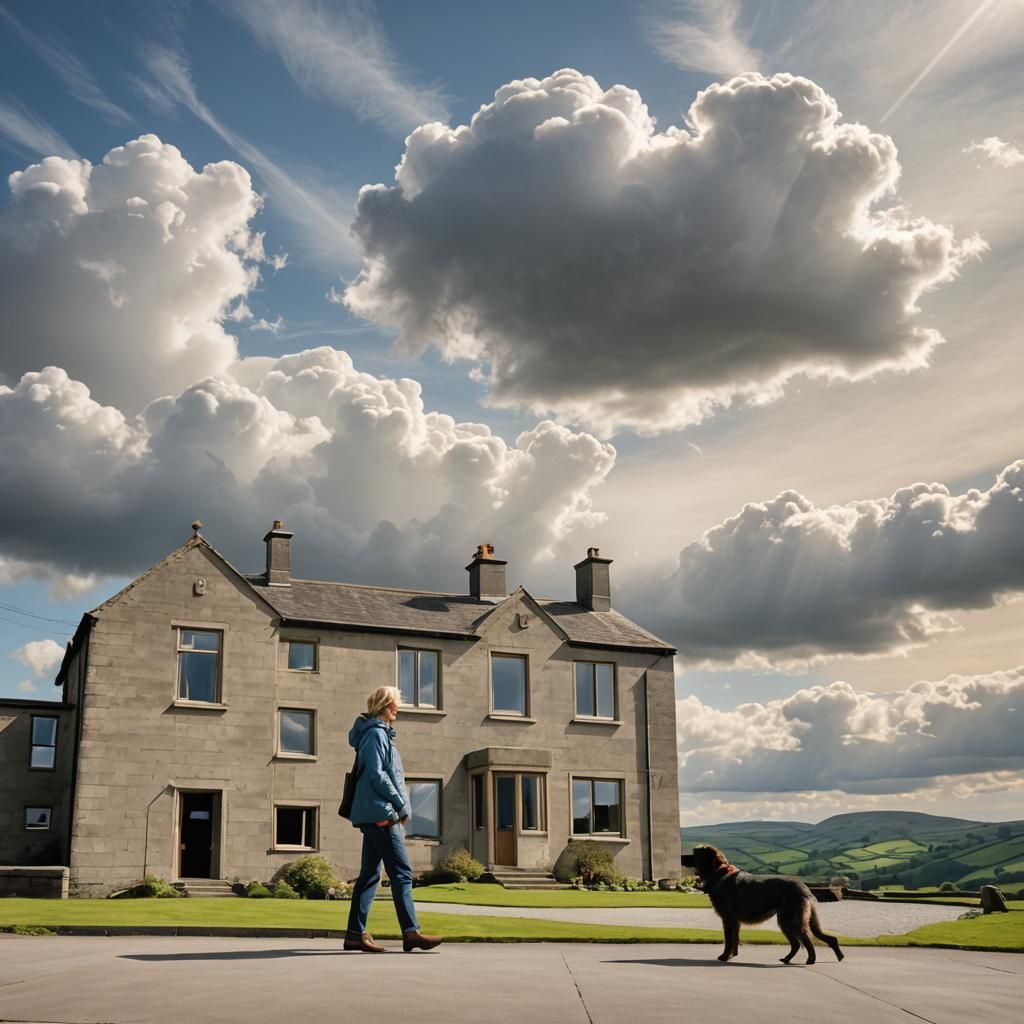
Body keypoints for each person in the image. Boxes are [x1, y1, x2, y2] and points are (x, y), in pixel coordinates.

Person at [344, 685, 443, 953]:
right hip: (382, 814)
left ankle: (354, 935)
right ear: (383, 707)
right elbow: (377, 775)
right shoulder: (376, 734)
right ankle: (411, 932)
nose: (396, 708)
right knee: (402, 873)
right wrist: (400, 805)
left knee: (369, 876)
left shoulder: (377, 734)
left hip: (376, 813)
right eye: (392, 704)